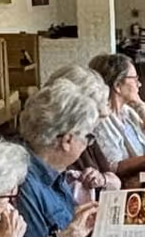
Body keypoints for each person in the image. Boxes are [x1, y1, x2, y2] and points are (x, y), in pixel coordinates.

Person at [14, 80, 105, 237]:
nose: (88, 144)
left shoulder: (53, 169)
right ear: (67, 140)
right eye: (88, 137)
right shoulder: (24, 185)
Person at [47, 64, 121, 192]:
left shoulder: (88, 137)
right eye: (96, 114)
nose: (105, 114)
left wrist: (103, 179)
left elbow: (116, 181)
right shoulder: (57, 146)